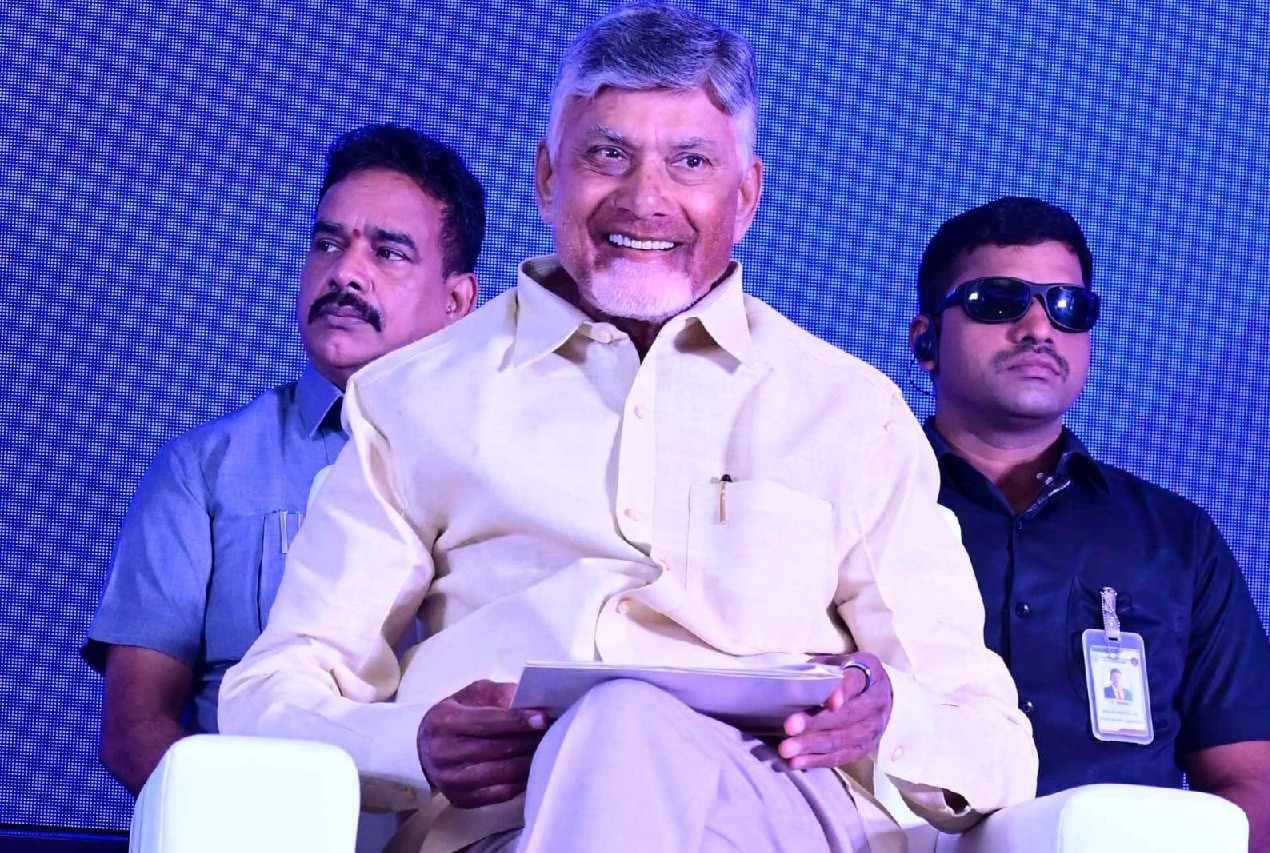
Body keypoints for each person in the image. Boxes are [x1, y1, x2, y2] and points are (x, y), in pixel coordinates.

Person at [220, 7, 1036, 853]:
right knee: (616, 725)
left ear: (745, 195)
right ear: (547, 177)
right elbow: (269, 693)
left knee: (625, 720)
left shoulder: (849, 410)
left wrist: (886, 714)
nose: (646, 199)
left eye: (691, 162)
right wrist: (413, 743)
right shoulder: (412, 399)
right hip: (510, 825)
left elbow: (995, 742)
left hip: (777, 816)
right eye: (607, 155)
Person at [82, 123, 484, 796]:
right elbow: (133, 728)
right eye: (327, 243)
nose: (344, 272)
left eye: (389, 253)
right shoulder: (206, 470)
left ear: (456, 301)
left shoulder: (502, 467)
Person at [907, 195, 1270, 852]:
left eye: (1067, 307)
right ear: (926, 340)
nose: (1038, 327)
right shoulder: (861, 508)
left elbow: (1256, 780)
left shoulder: (1175, 539)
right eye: (998, 301)